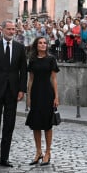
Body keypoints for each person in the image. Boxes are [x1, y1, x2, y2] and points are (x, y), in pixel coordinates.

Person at [0, 20, 27, 168]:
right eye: (8, 29)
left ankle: (4, 158)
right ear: (2, 30)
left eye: (13, 29)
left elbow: (23, 71)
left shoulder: (20, 48)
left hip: (12, 93)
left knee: (9, 125)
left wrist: (22, 90)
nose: (11, 31)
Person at [25, 37, 60, 166]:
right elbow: (31, 79)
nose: (43, 44)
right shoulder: (32, 60)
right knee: (35, 124)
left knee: (47, 124)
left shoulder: (51, 59)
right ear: (36, 45)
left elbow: (54, 79)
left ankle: (48, 152)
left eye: (45, 43)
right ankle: (38, 152)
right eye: (40, 43)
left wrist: (56, 96)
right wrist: (28, 96)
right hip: (35, 94)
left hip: (48, 94)